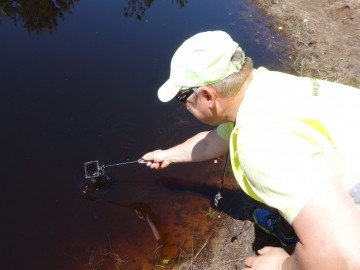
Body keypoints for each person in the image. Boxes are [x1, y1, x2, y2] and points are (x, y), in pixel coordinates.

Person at [142, 30, 360, 270]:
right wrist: (167, 155)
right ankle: (300, 223)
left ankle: (301, 235)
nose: (182, 105)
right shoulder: (263, 87)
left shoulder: (259, 142)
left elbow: (344, 255)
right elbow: (211, 141)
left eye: (182, 97)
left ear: (206, 95)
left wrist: (282, 265)